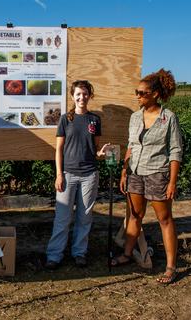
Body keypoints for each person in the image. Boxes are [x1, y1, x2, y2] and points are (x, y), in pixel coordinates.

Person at [114, 68, 183, 284]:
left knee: (164, 219)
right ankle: (127, 254)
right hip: (135, 172)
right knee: (135, 215)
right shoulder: (135, 117)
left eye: (142, 93)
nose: (137, 96)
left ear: (154, 94)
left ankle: (171, 267)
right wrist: (124, 171)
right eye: (137, 92)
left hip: (157, 173)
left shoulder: (168, 118)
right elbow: (131, 146)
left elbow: (175, 151)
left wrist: (172, 181)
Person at [45, 80, 109, 270]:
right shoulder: (66, 119)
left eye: (85, 94)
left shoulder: (95, 120)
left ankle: (79, 253)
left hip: (89, 175)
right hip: (67, 175)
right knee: (62, 218)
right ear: (73, 96)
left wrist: (101, 154)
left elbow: (95, 149)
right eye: (78, 94)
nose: (82, 97)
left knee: (85, 217)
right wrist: (59, 174)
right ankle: (54, 255)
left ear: (90, 95)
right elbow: (58, 149)